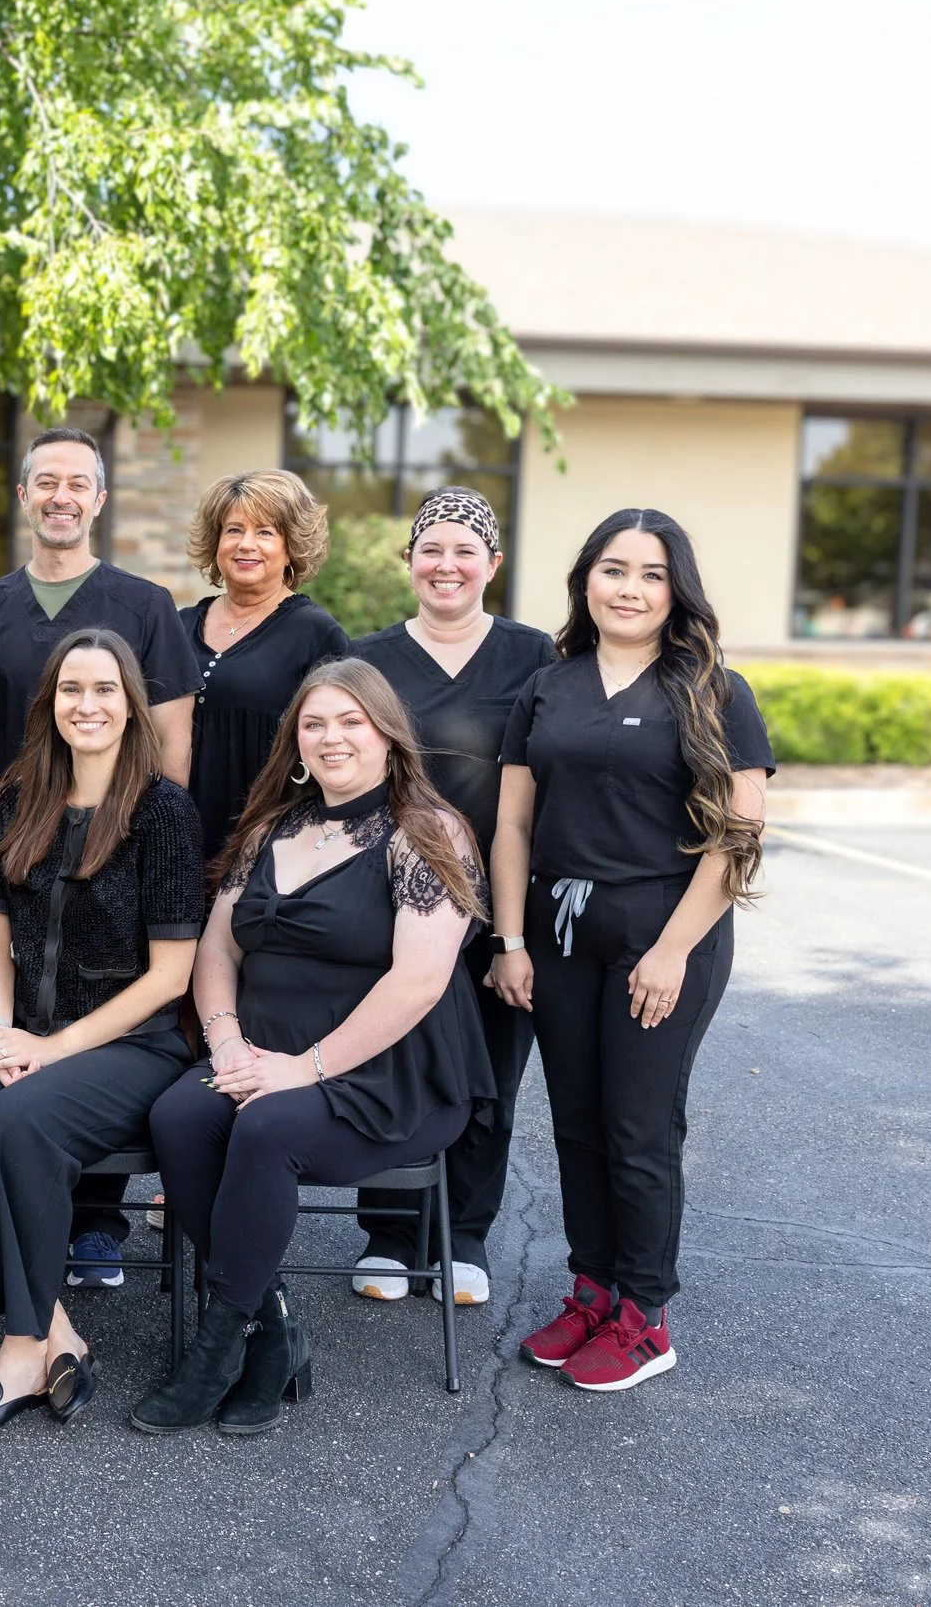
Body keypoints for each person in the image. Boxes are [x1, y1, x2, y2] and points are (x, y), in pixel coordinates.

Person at [132, 659, 494, 1436]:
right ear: (295, 742)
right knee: (179, 1116)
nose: (332, 738)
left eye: (350, 721)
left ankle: (217, 1350)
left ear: (388, 734)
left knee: (266, 1128)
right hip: (265, 1055)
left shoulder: (427, 833)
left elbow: (418, 983)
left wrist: (306, 1068)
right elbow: (219, 950)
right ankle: (272, 1330)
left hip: (393, 1073)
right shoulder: (274, 827)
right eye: (314, 723)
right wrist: (225, 1040)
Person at [489, 508, 772, 1393]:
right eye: (614, 570)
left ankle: (645, 1316)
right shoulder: (549, 686)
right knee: (574, 1121)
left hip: (664, 932)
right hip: (559, 930)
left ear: (675, 590)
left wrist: (672, 949)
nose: (630, 589)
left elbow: (740, 834)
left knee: (639, 1125)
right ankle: (592, 1290)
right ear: (586, 580)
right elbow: (511, 824)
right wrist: (509, 938)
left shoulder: (714, 691)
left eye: (651, 574)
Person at [0, 630, 205, 1435]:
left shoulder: (162, 811)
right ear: (49, 703)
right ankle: (57, 1328)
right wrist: (2, 1030)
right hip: (29, 1030)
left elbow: (170, 977)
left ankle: (17, 1348)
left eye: (105, 689)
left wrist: (48, 1051)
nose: (88, 705)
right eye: (71, 690)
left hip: (132, 1044)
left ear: (130, 705)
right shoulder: (18, 796)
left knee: (17, 1121)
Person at [0, 424, 201, 1288]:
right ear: (25, 496)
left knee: (93, 992)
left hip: (121, 835)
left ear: (99, 499)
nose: (61, 496)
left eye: (78, 483)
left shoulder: (144, 603)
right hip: (24, 835)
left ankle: (92, 1224)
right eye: (44, 481)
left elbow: (170, 735)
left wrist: (140, 832)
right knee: (25, 1013)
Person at [346, 487, 556, 1307]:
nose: (447, 564)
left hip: (498, 902)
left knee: (490, 1074)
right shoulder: (369, 660)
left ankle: (463, 1235)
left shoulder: (533, 656)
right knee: (391, 1058)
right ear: (409, 561)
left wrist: (514, 934)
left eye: (465, 550)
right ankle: (391, 1236)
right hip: (385, 896)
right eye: (431, 548)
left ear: (492, 565)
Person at [179, 471, 348, 862]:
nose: (246, 544)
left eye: (266, 532)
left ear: (291, 548)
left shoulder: (317, 634)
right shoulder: (176, 625)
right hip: (169, 846)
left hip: (266, 848)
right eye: (234, 530)